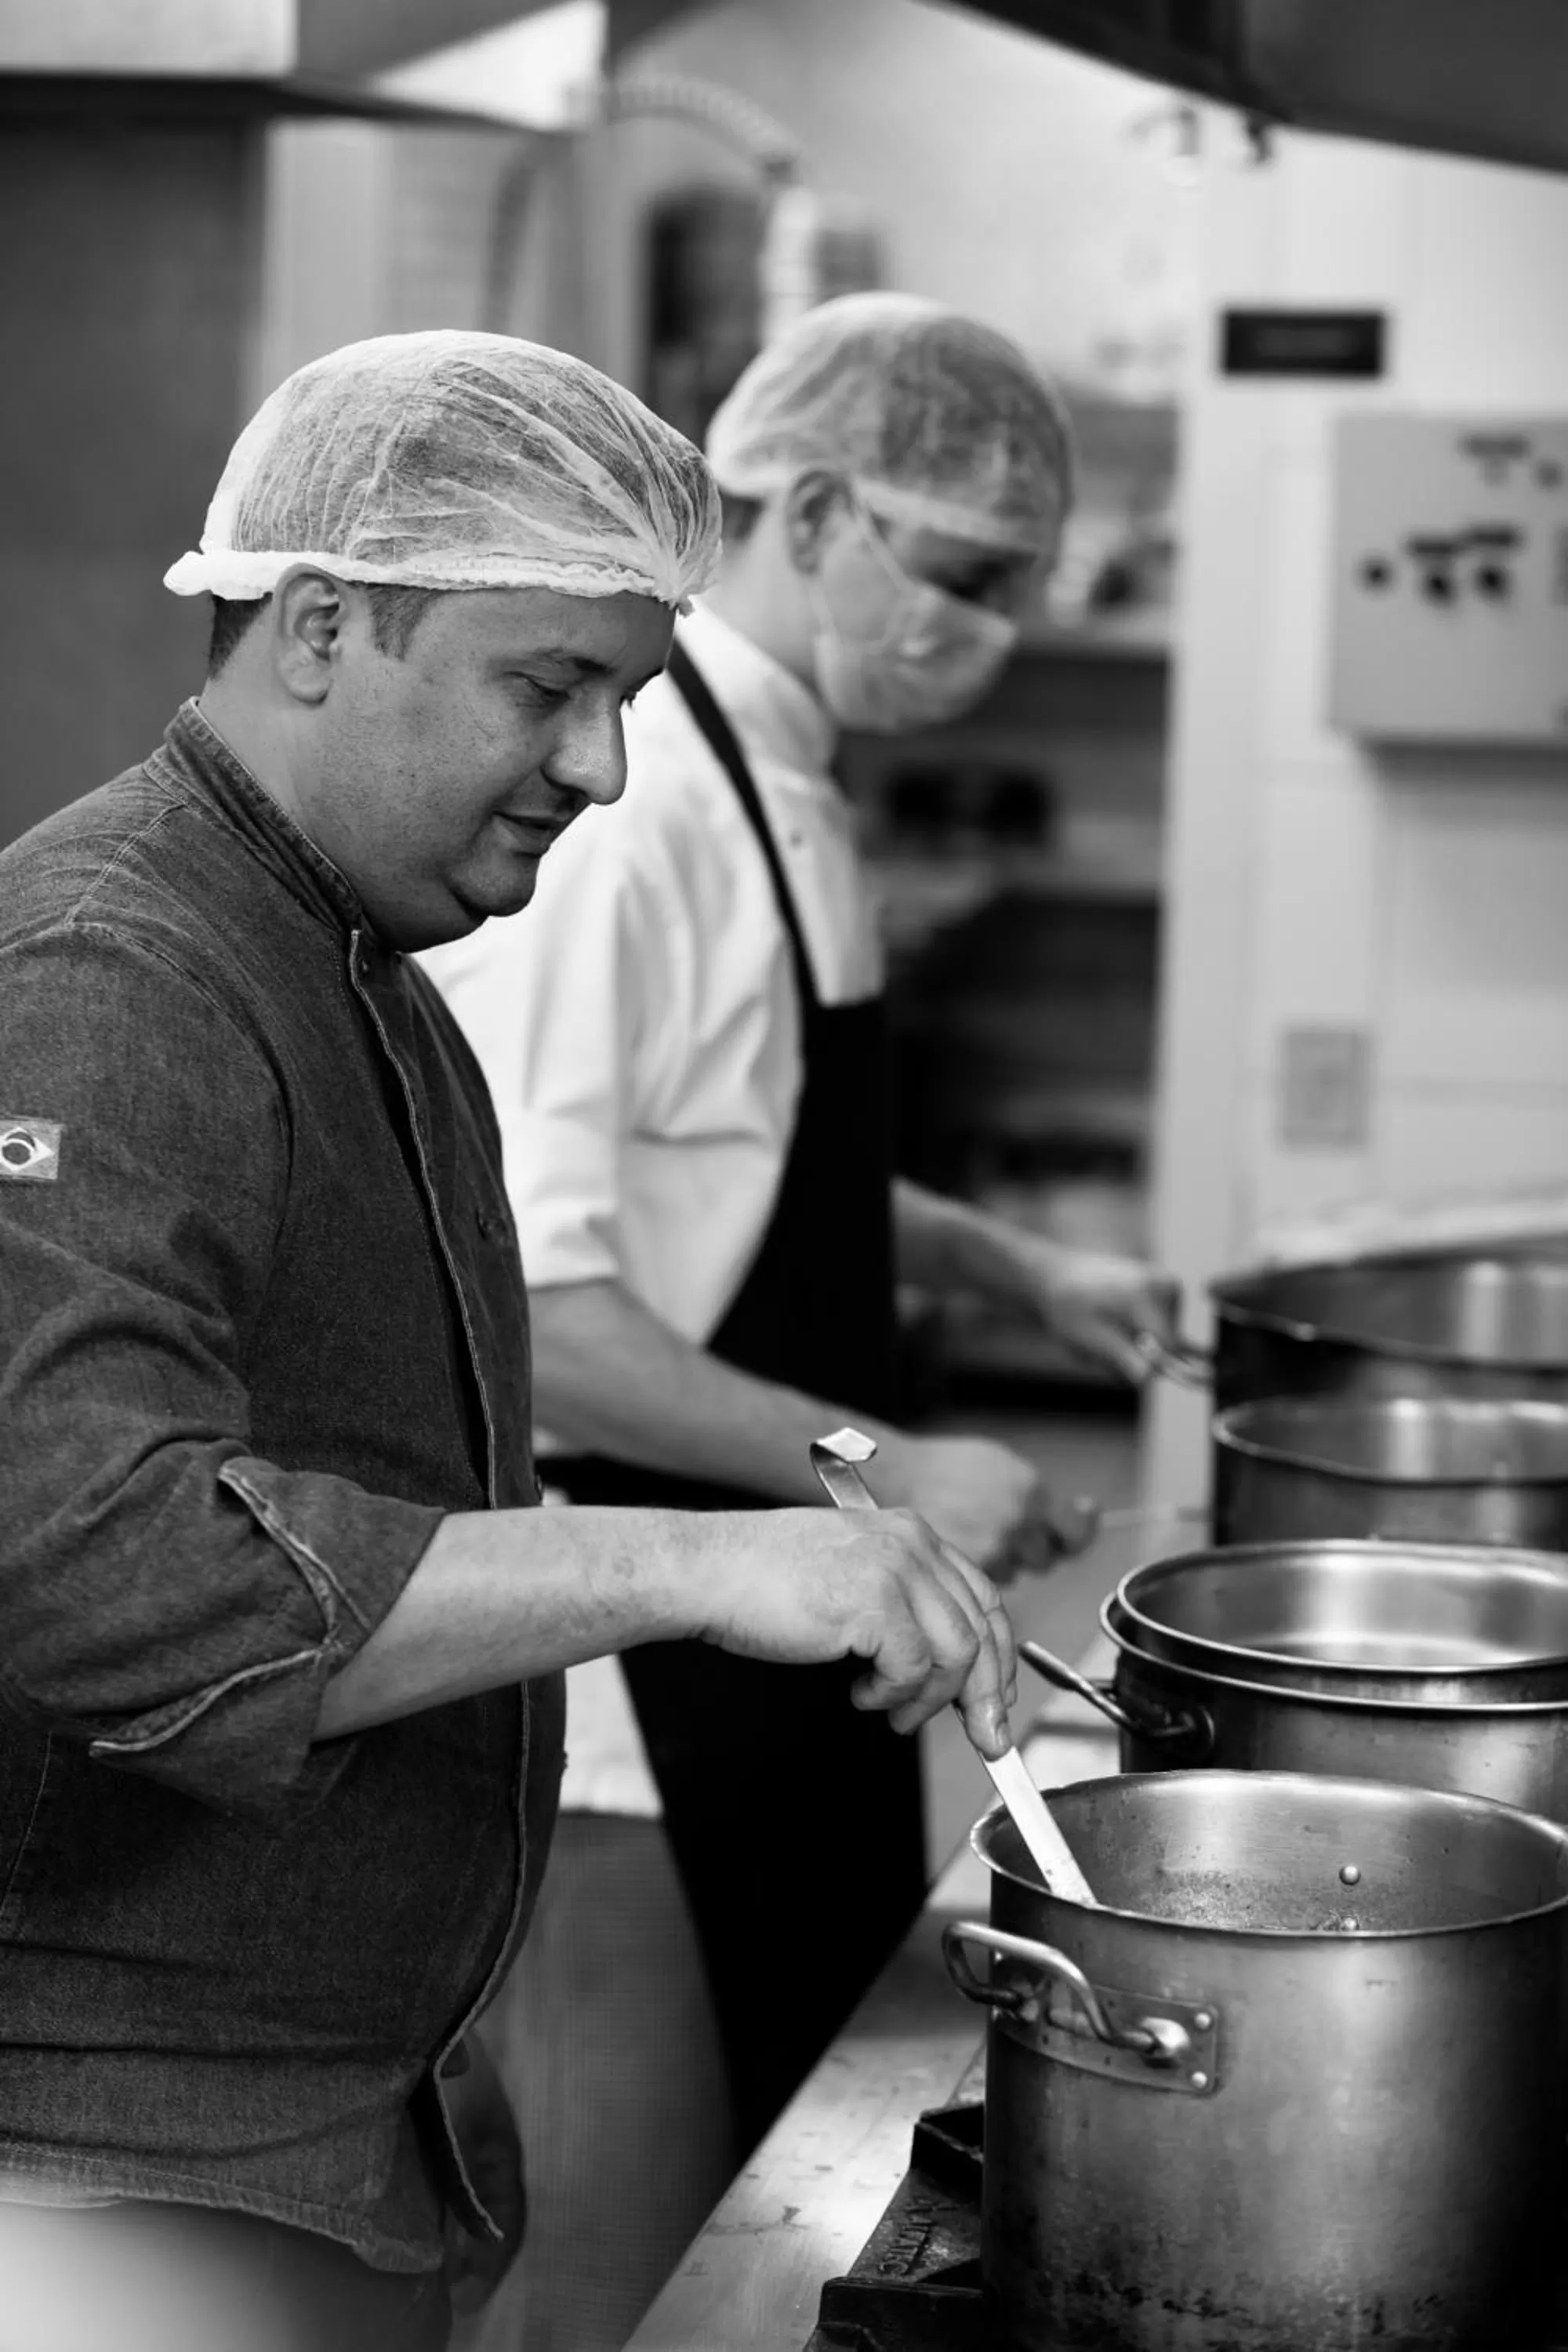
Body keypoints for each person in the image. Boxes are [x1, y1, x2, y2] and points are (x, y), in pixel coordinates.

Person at [0, 328, 1018, 2352]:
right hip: (123, 2174)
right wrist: (700, 1559)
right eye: (546, 687)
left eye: (625, 698)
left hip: (337, 2135)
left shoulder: (360, 966)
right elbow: (90, 1567)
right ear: (316, 624)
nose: (602, 768)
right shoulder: (120, 967)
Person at [423, 294, 1180, 2292]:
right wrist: (880, 1455)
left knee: (764, 2218)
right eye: (969, 575)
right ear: (820, 509)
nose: (997, 628)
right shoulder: (634, 807)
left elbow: (769, 1158)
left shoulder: (791, 781)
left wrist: (1018, 1261)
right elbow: (539, 1306)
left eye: (1029, 588)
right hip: (624, 1697)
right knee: (625, 2258)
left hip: (781, 1630)